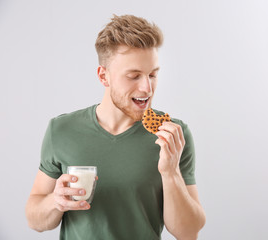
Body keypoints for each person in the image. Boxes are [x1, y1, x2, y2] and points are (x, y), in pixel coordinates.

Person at [25, 14, 206, 240]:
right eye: (134, 76)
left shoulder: (172, 135)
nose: (147, 88)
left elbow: (189, 233)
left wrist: (170, 173)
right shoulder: (61, 130)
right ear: (104, 76)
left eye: (152, 75)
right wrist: (56, 201)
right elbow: (34, 219)